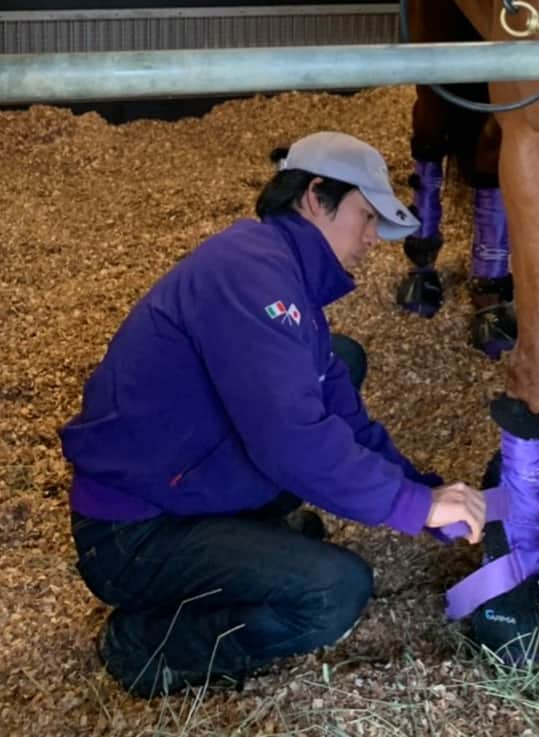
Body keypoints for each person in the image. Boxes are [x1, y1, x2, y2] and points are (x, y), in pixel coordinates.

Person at [59, 131, 487, 699]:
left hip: (184, 486)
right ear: (315, 195)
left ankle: (254, 538)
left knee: (340, 361)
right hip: (133, 535)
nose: (371, 239)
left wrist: (425, 493)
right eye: (365, 217)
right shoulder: (254, 279)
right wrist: (412, 506)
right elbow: (292, 441)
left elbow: (344, 421)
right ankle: (147, 646)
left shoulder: (283, 278)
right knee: (332, 592)